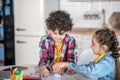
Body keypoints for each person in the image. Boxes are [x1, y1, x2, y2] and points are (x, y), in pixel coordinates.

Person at [52, 28, 120, 80]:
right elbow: (89, 67)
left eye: (93, 44)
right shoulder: (104, 58)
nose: (91, 46)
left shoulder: (108, 62)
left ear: (104, 47)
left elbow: (91, 72)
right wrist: (73, 69)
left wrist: (69, 65)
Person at [38, 10, 78, 78]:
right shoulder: (45, 40)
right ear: (49, 30)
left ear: (67, 31)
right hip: (50, 71)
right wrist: (43, 68)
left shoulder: (71, 41)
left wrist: (65, 67)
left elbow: (71, 60)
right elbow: (43, 58)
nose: (58, 37)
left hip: (64, 73)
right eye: (55, 33)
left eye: (61, 34)